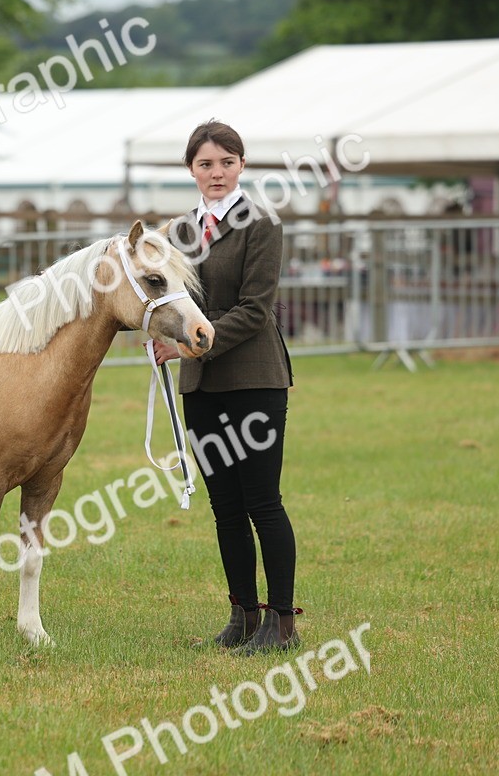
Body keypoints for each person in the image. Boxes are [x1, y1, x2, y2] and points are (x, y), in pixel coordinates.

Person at [152, 120, 300, 655]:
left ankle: (281, 622)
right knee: (225, 507)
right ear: (191, 169)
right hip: (202, 385)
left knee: (263, 502)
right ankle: (242, 613)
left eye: (226, 162)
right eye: (205, 164)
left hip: (255, 379)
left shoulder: (262, 223)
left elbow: (256, 310)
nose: (216, 173)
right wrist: (163, 335)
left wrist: (193, 343)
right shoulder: (178, 232)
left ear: (242, 165)